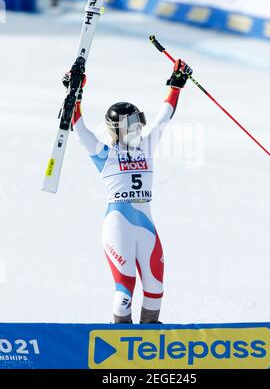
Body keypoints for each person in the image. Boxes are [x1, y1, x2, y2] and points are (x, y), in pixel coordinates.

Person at [63, 59, 192, 324]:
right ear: (118, 129)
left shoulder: (146, 146)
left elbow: (163, 118)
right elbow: (79, 128)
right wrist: (75, 94)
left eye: (138, 125)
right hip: (118, 226)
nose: (138, 130)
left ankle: (148, 339)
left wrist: (175, 85)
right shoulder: (104, 154)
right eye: (132, 126)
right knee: (124, 292)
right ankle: (121, 337)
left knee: (155, 288)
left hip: (145, 226)